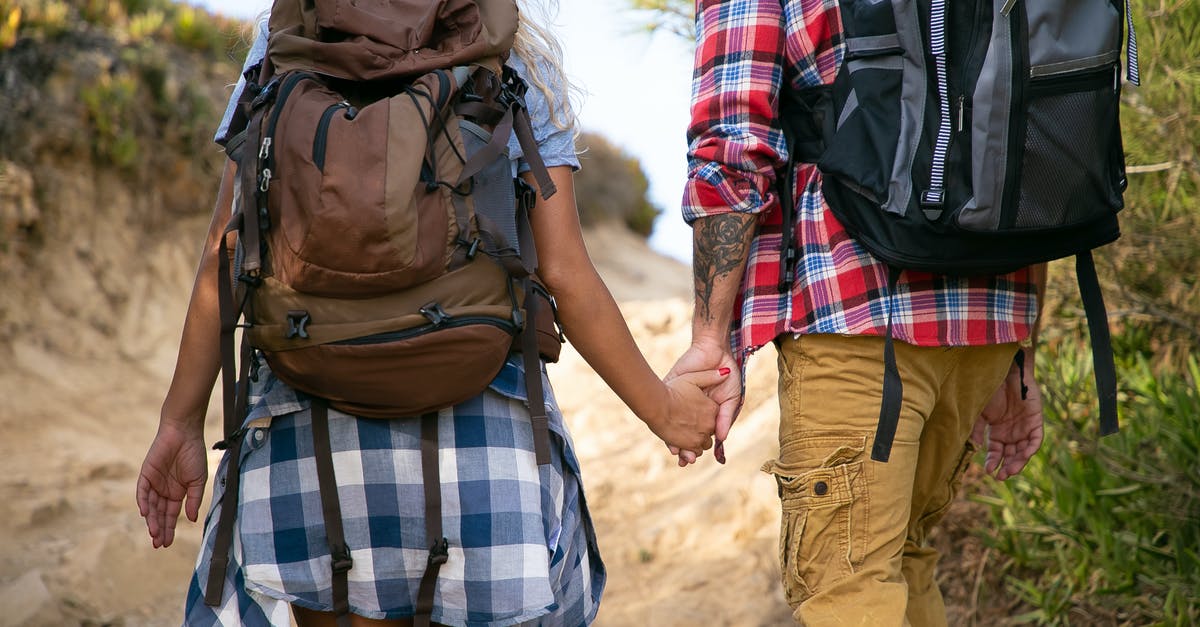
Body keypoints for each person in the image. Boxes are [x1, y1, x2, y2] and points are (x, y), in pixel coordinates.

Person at [136, 5, 725, 626]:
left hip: (305, 431)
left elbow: (224, 254)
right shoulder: (507, 45)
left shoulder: (288, 36)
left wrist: (179, 424)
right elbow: (565, 276)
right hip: (479, 440)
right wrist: (666, 412)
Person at [668, 0, 1047, 624]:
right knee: (903, 558)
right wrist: (1016, 351)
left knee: (847, 584)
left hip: (855, 316)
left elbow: (732, 149)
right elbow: (1029, 128)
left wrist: (711, 338)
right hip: (991, 313)